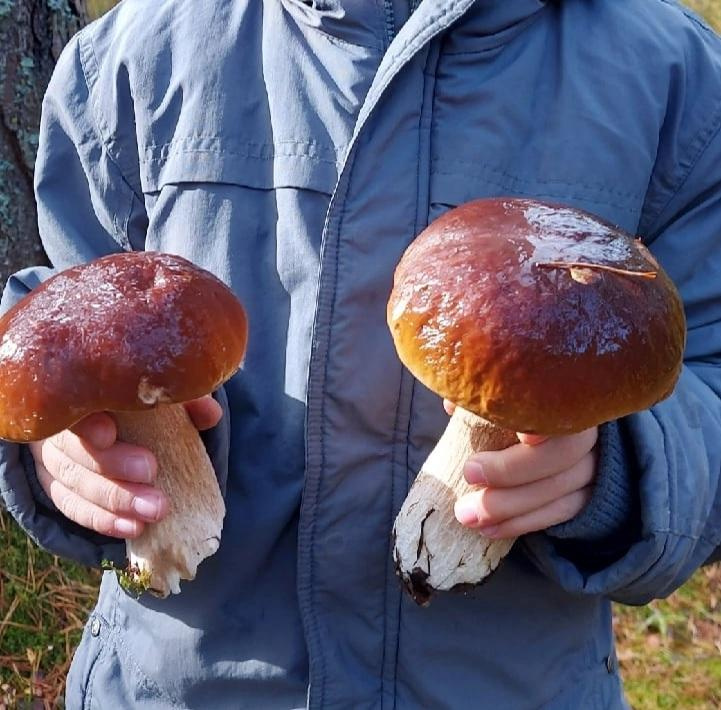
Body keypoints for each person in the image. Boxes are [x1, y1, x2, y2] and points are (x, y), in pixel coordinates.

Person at [1, 0, 720, 707]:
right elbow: (54, 306)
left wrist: (626, 465)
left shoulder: (673, 76)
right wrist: (56, 454)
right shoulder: (126, 60)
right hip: (176, 685)